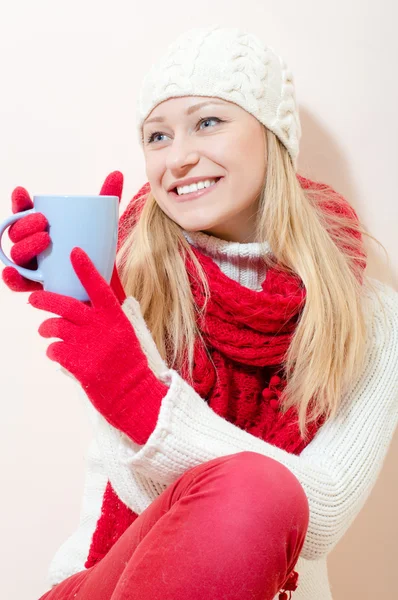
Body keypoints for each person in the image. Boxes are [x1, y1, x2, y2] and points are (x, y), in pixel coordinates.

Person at [2, 25, 398, 600]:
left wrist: (141, 396)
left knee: (258, 493)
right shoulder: (138, 282)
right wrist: (99, 315)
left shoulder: (369, 315)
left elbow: (323, 509)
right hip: (101, 580)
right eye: (157, 136)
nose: (179, 157)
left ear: (272, 137)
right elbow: (143, 499)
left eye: (208, 122)